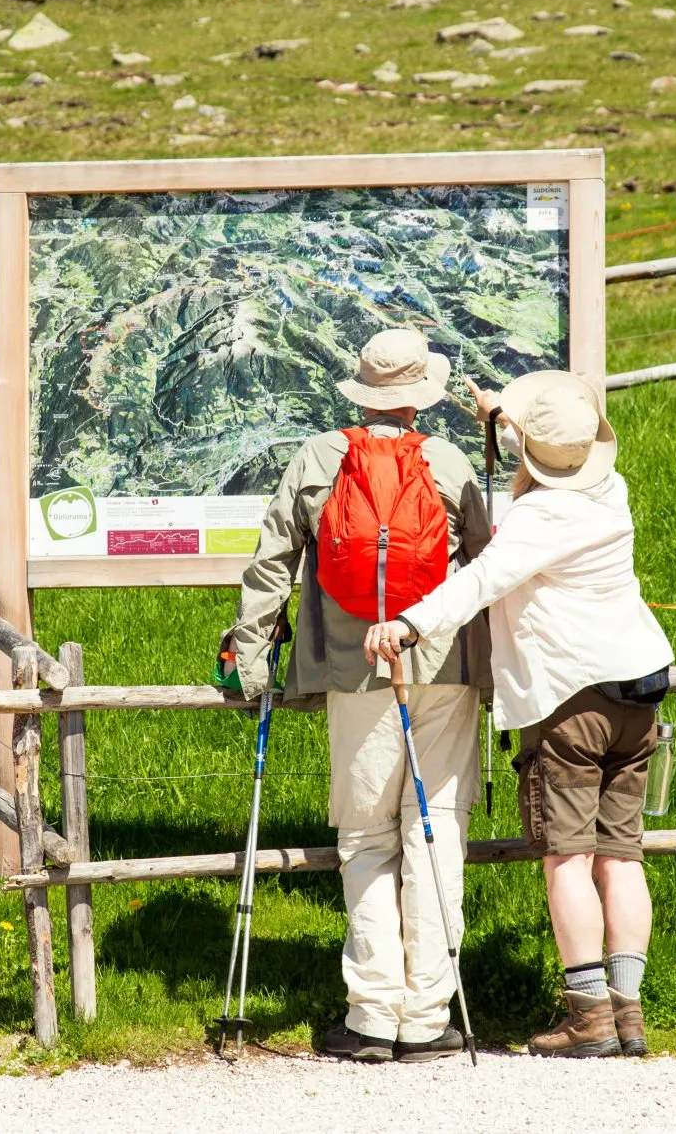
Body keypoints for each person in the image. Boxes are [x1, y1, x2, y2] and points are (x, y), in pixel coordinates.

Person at [365, 369, 674, 1059]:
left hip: (572, 700)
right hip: (640, 684)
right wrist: (503, 414)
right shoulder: (609, 490)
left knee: (569, 857)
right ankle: (629, 1014)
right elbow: (554, 452)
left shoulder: (537, 520)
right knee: (622, 858)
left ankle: (587, 1015)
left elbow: (479, 580)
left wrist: (408, 625)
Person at [228, 328, 490, 1064]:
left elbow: (271, 562)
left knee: (367, 837)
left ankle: (373, 1015)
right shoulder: (446, 459)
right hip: (439, 666)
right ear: (419, 396)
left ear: (363, 388)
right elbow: (487, 560)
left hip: (351, 672)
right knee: (435, 826)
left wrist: (253, 657)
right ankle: (430, 1014)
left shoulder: (318, 458)